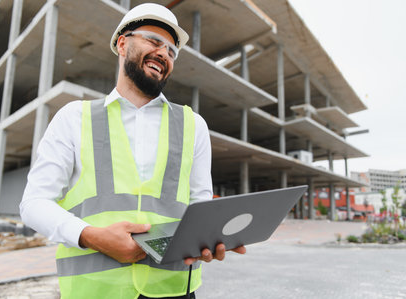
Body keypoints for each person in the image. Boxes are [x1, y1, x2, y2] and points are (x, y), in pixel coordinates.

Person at [20, 3, 245, 299]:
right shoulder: (74, 117)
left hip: (172, 290)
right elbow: (34, 203)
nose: (164, 53)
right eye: (154, 41)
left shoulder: (194, 125)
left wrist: (208, 238)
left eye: (171, 51)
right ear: (123, 44)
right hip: (95, 292)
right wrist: (91, 236)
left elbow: (199, 205)